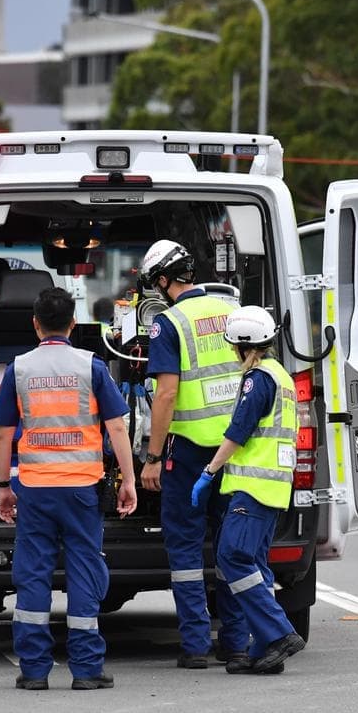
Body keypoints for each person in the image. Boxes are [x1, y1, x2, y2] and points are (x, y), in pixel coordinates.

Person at [0, 286, 138, 691]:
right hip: (81, 489)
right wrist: (128, 479)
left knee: (33, 575)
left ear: (35, 324)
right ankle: (87, 670)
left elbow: (4, 436)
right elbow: (117, 426)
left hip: (34, 489)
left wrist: (4, 486)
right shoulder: (91, 366)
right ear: (73, 324)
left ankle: (34, 671)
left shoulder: (19, 369)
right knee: (84, 572)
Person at [136, 239, 244, 669]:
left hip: (189, 454)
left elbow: (165, 394)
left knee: (184, 547)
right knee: (231, 547)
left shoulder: (169, 323)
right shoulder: (231, 314)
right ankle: (235, 642)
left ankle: (196, 645)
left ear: (163, 281)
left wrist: (153, 455)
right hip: (234, 450)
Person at [192, 306, 306, 674]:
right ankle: (263, 651)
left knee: (232, 557)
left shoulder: (257, 379)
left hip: (252, 487)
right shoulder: (283, 377)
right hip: (273, 487)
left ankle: (278, 634)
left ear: (244, 346)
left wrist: (209, 471)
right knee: (255, 564)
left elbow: (238, 432)